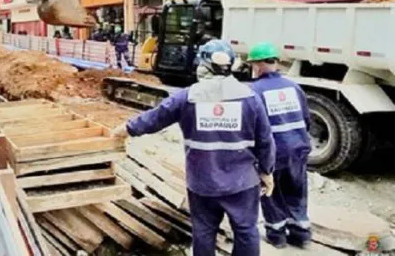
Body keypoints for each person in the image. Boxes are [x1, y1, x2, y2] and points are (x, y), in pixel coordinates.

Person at [111, 39, 276, 256]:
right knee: (245, 231)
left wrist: (124, 130)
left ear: (203, 65)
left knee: (204, 232)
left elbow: (154, 119)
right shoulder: (250, 97)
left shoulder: (187, 96)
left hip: (202, 182)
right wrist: (267, 171)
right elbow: (265, 141)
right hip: (242, 183)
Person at [247, 42, 312, 249]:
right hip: (298, 148)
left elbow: (252, 127)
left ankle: (277, 235)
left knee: (271, 192)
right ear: (276, 62)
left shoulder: (253, 90)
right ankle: (301, 233)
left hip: (273, 152)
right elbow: (306, 119)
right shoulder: (294, 87)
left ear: (256, 66)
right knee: (296, 189)